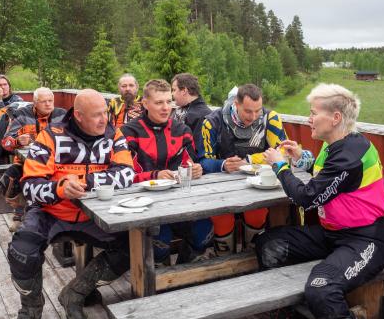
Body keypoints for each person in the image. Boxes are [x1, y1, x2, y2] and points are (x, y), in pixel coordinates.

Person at [256, 83, 384, 319]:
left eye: (313, 112)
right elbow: (328, 178)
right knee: (269, 244)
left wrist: (280, 165)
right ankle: (288, 313)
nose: (308, 118)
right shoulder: (337, 145)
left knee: (322, 288)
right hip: (333, 235)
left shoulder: (351, 153)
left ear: (335, 117)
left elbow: (306, 197)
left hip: (366, 239)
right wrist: (301, 158)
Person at [7, 89, 135, 319]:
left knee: (133, 247)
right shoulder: (51, 136)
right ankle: (31, 309)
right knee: (21, 252)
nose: (104, 119)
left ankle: (75, 293)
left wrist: (86, 182)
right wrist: (60, 189)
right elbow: (30, 186)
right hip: (51, 213)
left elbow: (126, 174)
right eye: (96, 115)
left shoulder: (114, 135)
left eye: (105, 113)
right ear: (78, 115)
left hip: (94, 215)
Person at [121, 79, 213, 264]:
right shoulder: (128, 132)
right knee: (159, 241)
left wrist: (195, 170)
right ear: (145, 104)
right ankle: (156, 272)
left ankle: (183, 272)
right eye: (158, 103)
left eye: (168, 102)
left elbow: (188, 163)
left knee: (205, 229)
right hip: (141, 207)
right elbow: (121, 176)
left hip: (178, 203)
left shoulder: (182, 130)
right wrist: (154, 175)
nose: (165, 108)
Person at [197, 84, 288, 255]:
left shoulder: (270, 118)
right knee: (221, 217)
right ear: (236, 104)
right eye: (248, 111)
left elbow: (282, 152)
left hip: (258, 186)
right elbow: (202, 161)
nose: (253, 117)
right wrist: (222, 164)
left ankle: (253, 254)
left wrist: (249, 160)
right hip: (221, 188)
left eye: (257, 111)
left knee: (258, 211)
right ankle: (223, 260)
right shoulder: (212, 122)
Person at [0, 87, 66, 232]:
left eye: (51, 101)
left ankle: (48, 215)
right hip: (25, 162)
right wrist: (17, 141)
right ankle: (19, 211)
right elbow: (5, 142)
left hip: (55, 164)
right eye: (44, 101)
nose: (48, 104)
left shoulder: (62, 115)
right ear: (35, 103)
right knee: (9, 178)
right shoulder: (21, 115)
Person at [171, 73, 211, 147]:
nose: (172, 94)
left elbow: (197, 149)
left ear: (184, 91)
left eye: (174, 90)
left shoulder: (200, 115)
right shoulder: (182, 110)